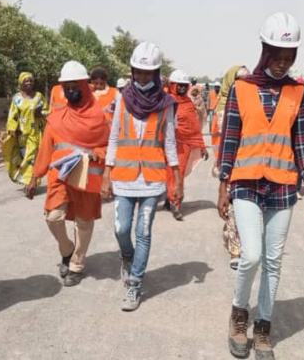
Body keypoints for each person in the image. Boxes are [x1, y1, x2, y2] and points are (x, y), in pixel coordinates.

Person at [219, 12, 304, 360]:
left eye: (289, 56)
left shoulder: (297, 91)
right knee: (251, 256)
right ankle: (238, 315)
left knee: (274, 260)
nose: (282, 63)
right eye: (277, 55)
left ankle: (263, 326)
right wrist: (223, 185)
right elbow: (229, 137)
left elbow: (303, 143)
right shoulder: (242, 87)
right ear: (264, 51)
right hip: (246, 182)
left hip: (282, 187)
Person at [102, 41, 182, 312]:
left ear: (157, 74)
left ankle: (135, 284)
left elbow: (170, 142)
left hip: (152, 178)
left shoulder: (166, 103)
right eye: (139, 71)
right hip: (124, 177)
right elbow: (113, 137)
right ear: (132, 70)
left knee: (143, 230)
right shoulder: (121, 99)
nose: (143, 77)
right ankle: (127, 256)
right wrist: (106, 174)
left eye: (149, 73)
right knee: (121, 229)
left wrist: (177, 179)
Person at [28, 61, 110, 287]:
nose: (71, 89)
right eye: (67, 86)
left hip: (87, 177)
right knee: (53, 217)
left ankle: (76, 264)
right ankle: (67, 249)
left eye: (75, 85)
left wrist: (97, 154)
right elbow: (46, 147)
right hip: (60, 175)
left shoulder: (99, 117)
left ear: (85, 86)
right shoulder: (56, 117)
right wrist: (35, 176)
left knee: (84, 221)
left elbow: (109, 146)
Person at [165, 69, 208, 220]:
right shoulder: (166, 100)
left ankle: (176, 205)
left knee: (179, 175)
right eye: (180, 85)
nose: (183, 88)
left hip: (184, 146)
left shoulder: (189, 103)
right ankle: (168, 198)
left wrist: (202, 146)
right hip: (167, 144)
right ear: (172, 85)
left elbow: (194, 126)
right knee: (168, 173)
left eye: (185, 85)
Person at [3, 72, 45, 187]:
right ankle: (28, 179)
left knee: (33, 156)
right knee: (25, 158)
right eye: (26, 81)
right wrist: (12, 128)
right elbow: (13, 114)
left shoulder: (39, 96)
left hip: (36, 133)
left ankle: (31, 182)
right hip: (22, 134)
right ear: (21, 83)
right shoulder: (17, 98)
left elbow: (48, 111)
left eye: (30, 80)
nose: (28, 83)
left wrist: (41, 114)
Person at [212, 66, 250, 177]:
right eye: (239, 80)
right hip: (228, 160)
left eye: (246, 80)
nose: (242, 84)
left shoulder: (246, 99)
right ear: (231, 81)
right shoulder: (223, 108)